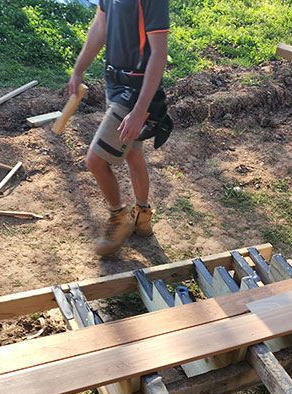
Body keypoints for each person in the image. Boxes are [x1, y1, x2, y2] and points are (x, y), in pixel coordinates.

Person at [69, 0, 170, 256]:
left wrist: (138, 111)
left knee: (95, 161)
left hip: (136, 91)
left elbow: (158, 55)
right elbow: (100, 27)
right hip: (114, 84)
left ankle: (119, 218)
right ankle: (142, 217)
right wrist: (78, 69)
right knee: (133, 153)